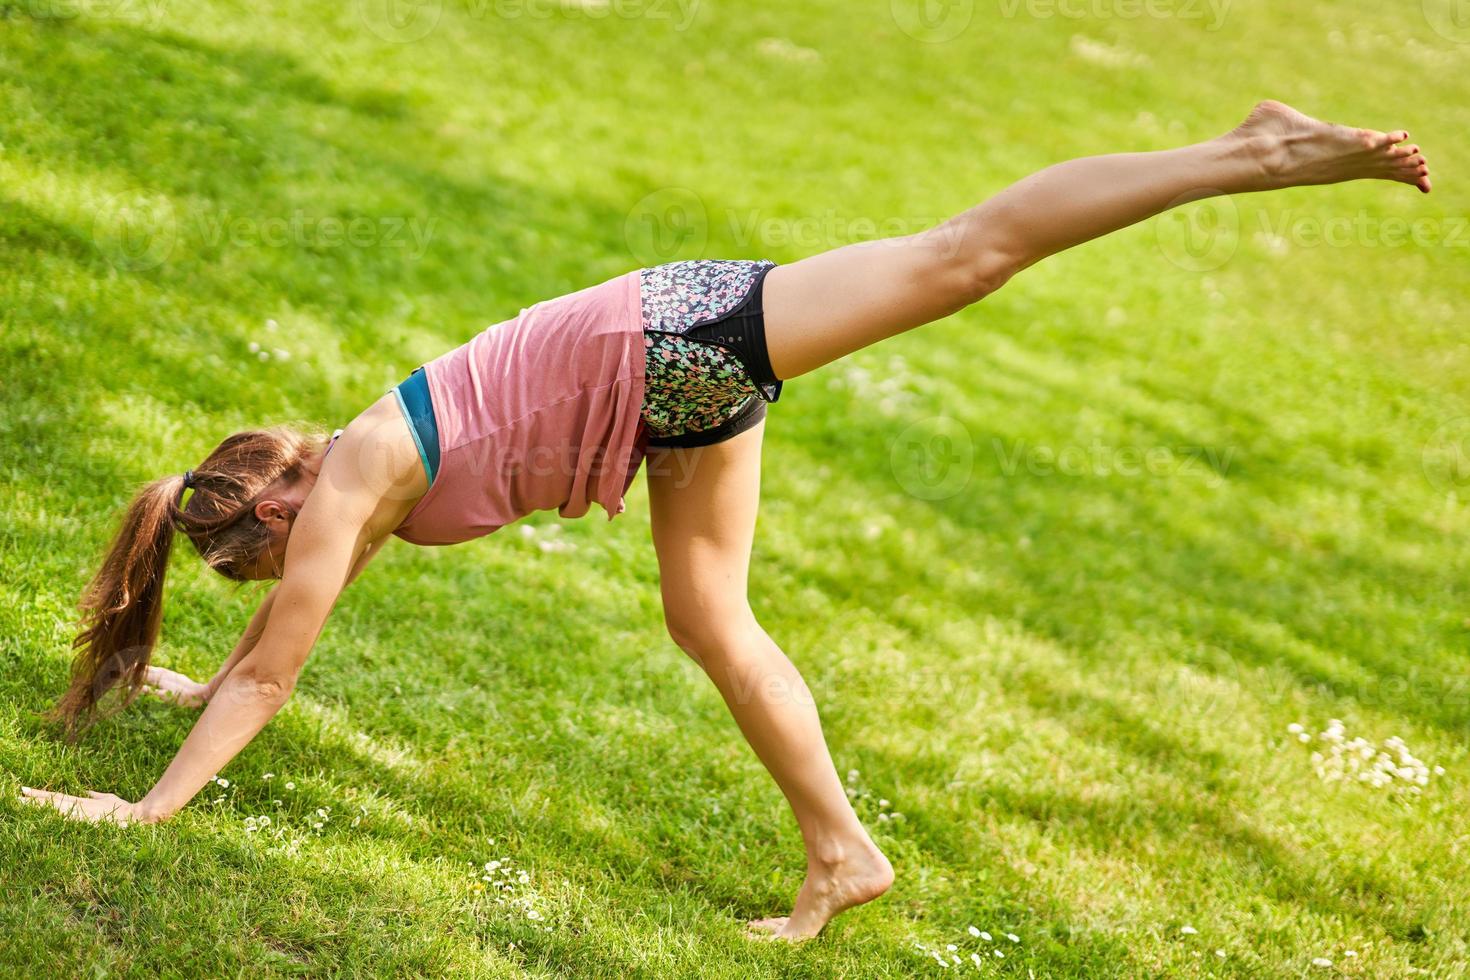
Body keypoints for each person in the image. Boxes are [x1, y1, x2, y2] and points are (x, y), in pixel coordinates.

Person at [20, 101, 1431, 941]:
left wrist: (148, 809)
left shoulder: (353, 474)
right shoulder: (350, 479)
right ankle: (844, 853)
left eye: (251, 558)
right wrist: (206, 671)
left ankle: (1246, 153)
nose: (273, 573)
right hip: (669, 398)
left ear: (271, 503)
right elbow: (279, 640)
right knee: (710, 620)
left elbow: (275, 668)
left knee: (962, 259)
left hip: (672, 334)